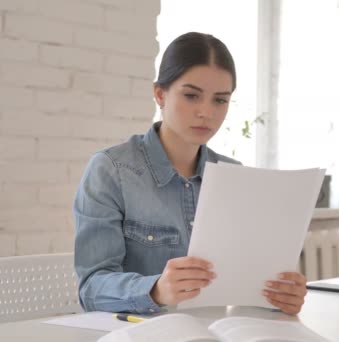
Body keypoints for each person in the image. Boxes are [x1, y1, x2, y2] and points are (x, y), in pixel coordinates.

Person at [73, 32, 307, 315]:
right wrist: (157, 289)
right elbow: (91, 288)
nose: (205, 112)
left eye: (220, 100)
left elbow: (245, 285)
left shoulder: (234, 176)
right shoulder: (111, 170)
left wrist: (282, 297)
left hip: (215, 330)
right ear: (160, 94)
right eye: (191, 95)